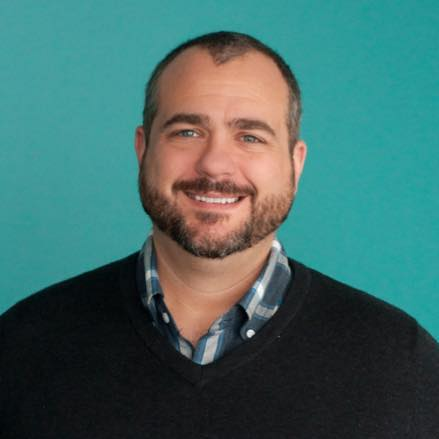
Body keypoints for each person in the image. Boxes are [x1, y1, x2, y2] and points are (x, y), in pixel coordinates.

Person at [1, 31, 438, 438]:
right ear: (143, 148)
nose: (215, 164)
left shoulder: (401, 360)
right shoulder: (22, 344)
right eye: (188, 132)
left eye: (250, 137)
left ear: (295, 162)